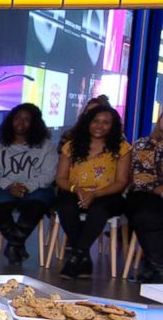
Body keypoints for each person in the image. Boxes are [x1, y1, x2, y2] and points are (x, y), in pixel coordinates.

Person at [53, 104, 131, 279]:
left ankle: (76, 255)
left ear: (113, 126)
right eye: (96, 121)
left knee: (99, 210)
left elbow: (122, 182)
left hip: (108, 195)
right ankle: (84, 257)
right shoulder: (71, 146)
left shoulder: (122, 148)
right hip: (75, 191)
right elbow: (61, 178)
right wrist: (77, 189)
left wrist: (95, 194)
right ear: (88, 122)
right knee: (65, 206)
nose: (100, 126)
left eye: (106, 122)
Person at [0, 103, 56, 264]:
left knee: (36, 204)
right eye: (17, 118)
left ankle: (13, 245)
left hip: (36, 188)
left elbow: (48, 175)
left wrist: (27, 186)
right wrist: (10, 185)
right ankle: (17, 245)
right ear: (11, 120)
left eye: (26, 119)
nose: (20, 123)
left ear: (35, 123)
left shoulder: (46, 147)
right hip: (6, 187)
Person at [125, 110, 163, 282]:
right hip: (146, 193)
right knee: (145, 216)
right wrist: (159, 189)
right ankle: (157, 266)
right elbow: (139, 178)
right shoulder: (143, 145)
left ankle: (155, 267)